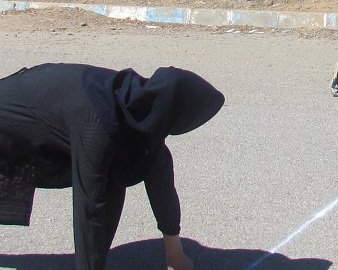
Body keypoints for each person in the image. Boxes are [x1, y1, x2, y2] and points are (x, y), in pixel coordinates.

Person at [0, 63, 225, 270]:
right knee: (102, 176)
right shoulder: (98, 124)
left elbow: (161, 179)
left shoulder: (139, 105)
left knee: (117, 166)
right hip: (11, 115)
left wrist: (175, 255)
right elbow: (90, 205)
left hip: (54, 104)